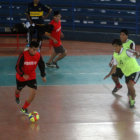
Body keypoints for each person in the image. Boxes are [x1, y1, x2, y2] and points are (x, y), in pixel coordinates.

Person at [104, 39, 140, 108]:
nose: (114, 48)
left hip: (135, 71)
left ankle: (132, 100)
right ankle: (132, 95)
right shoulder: (115, 54)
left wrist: (137, 54)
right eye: (113, 47)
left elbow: (136, 53)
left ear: (120, 46)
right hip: (127, 73)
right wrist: (109, 74)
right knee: (129, 88)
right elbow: (114, 66)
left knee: (130, 85)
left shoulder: (126, 51)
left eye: (116, 46)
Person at [15, 41, 46, 115]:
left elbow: (41, 65)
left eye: (36, 49)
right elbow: (17, 67)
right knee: (18, 90)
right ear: (29, 48)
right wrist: (23, 74)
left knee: (34, 92)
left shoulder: (38, 55)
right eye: (33, 49)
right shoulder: (23, 55)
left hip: (31, 76)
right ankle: (17, 96)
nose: (35, 51)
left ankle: (24, 108)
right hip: (21, 77)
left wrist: (43, 75)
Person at [109, 29, 135, 93]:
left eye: (123, 35)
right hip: (121, 65)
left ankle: (130, 92)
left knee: (128, 82)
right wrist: (111, 61)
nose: (121, 36)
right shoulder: (118, 43)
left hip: (128, 66)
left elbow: (132, 54)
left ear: (127, 36)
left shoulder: (131, 43)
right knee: (113, 75)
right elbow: (115, 53)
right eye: (120, 34)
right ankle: (118, 85)